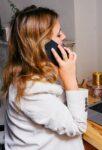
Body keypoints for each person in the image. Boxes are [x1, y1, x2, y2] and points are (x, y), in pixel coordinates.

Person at [1, 5, 88, 150]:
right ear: (43, 46)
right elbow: (77, 126)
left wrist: (63, 74)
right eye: (59, 34)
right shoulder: (31, 92)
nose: (64, 36)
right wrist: (71, 79)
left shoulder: (27, 73)